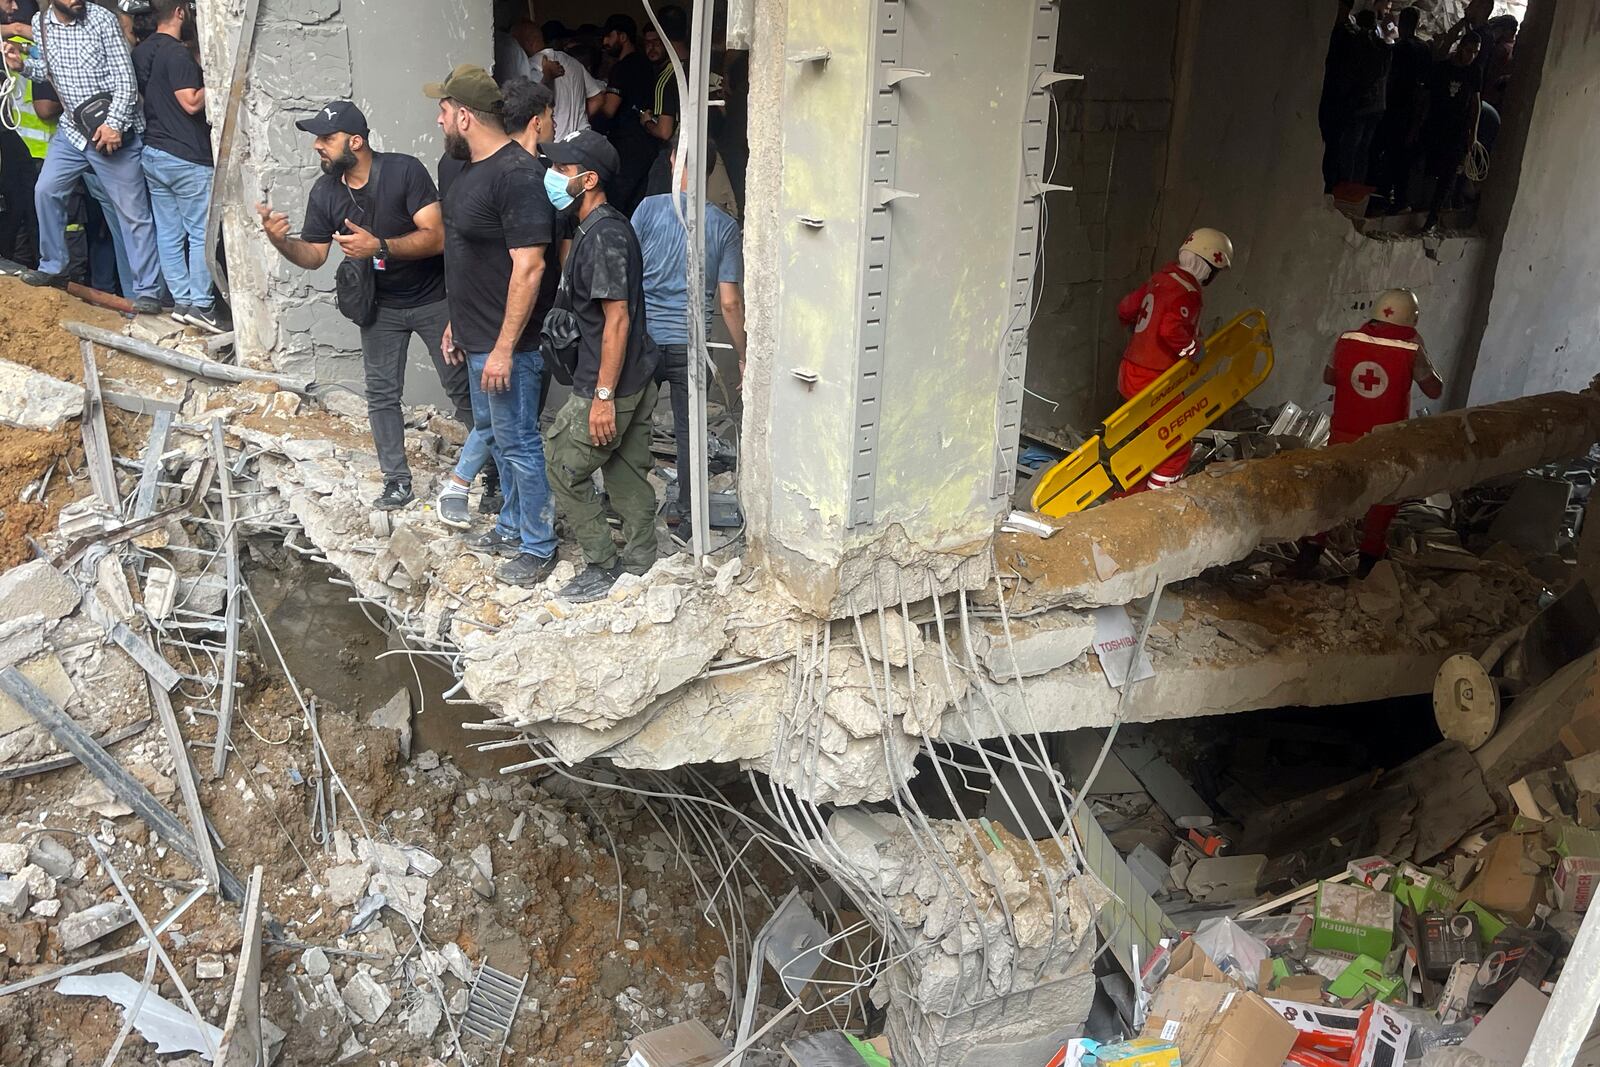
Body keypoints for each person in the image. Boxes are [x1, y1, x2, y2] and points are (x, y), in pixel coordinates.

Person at [255, 100, 469, 510]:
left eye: (326, 137)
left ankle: (491, 470)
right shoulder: (325, 192)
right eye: (316, 138)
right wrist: (280, 241)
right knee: (382, 394)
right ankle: (396, 481)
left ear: (356, 141)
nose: (317, 145)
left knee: (461, 388)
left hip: (433, 298)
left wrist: (381, 246)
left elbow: (438, 237)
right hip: (380, 306)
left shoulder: (404, 171)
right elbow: (315, 256)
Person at [427, 65, 559, 587]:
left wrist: (505, 348)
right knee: (498, 438)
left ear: (463, 115)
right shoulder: (461, 170)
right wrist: (456, 323)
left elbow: (530, 267)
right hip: (475, 334)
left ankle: (539, 545)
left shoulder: (519, 176)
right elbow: (464, 255)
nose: (438, 120)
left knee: (520, 442)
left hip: (512, 346)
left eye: (441, 111)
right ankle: (509, 525)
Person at [540, 128, 660, 601]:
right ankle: (641, 563)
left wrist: (602, 398)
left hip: (610, 383)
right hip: (632, 377)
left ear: (588, 180)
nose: (551, 177)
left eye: (562, 170)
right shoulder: (594, 227)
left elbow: (616, 321)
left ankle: (602, 564)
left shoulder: (606, 236)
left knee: (562, 467)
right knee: (628, 474)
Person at [2, 0, 164, 312]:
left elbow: (125, 79)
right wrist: (22, 66)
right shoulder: (41, 24)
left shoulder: (102, 18)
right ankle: (53, 265)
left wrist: (114, 124)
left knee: (133, 213)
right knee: (46, 190)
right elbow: (51, 72)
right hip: (72, 130)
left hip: (110, 131)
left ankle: (148, 292)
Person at [632, 140, 744, 528]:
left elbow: (626, 273)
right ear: (711, 170)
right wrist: (743, 355)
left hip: (642, 340)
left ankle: (632, 510)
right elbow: (729, 302)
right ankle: (685, 511)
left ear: (672, 162)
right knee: (688, 433)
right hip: (690, 344)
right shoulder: (725, 227)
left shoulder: (647, 209)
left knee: (631, 425)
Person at [1293, 288, 1443, 578]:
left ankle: (1309, 555)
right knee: (1385, 498)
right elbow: (1435, 390)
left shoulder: (1347, 339)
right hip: (1385, 440)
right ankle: (1367, 565)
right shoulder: (1411, 350)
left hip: (1344, 434)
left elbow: (1329, 377)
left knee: (1332, 492)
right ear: (1412, 319)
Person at [1112, 227, 1233, 493]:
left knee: (1149, 436)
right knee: (1176, 444)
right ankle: (1157, 504)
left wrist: (1133, 327)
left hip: (1129, 370)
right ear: (1208, 266)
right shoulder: (1187, 291)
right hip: (1153, 377)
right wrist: (1192, 349)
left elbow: (1126, 307)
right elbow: (1171, 329)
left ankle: (1131, 493)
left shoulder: (1160, 279)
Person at [133, 0, 221, 329]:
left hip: (154, 152)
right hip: (186, 156)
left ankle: (181, 301)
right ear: (181, 13)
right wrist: (215, 82)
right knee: (199, 233)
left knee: (169, 233)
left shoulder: (142, 52)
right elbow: (190, 102)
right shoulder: (177, 53)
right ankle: (201, 305)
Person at [596, 14, 659, 214]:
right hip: (648, 145)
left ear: (622, 37)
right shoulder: (646, 64)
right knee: (638, 208)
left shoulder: (622, 68)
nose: (604, 42)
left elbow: (609, 109)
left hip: (626, 147)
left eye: (609, 36)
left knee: (615, 206)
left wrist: (589, 118)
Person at [502, 17, 602, 139]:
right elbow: (598, 98)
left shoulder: (530, 67)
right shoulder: (572, 62)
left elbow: (526, 107)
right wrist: (579, 119)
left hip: (554, 148)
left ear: (529, 42)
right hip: (582, 141)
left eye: (516, 44)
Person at [1371, 5, 1430, 211]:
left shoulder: (1400, 49)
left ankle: (1383, 197)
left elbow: (1388, 76)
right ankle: (1401, 200)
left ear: (1402, 24)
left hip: (1395, 107)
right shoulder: (1424, 49)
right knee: (1403, 158)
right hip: (1413, 110)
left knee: (1388, 154)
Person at [1421, 33, 1482, 230]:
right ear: (1461, 47)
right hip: (1436, 125)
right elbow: (1426, 98)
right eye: (1469, 51)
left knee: (1449, 174)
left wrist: (1473, 134)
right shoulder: (1443, 69)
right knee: (1430, 169)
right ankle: (1423, 206)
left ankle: (1433, 216)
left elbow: (1475, 104)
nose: (1471, 56)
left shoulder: (1474, 72)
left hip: (1458, 130)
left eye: (1475, 53)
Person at [1334, 9, 1391, 188]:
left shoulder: (1360, 43)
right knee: (1363, 150)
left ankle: (1345, 186)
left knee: (1350, 147)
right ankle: (1356, 187)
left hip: (1361, 105)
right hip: (1377, 106)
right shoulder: (1384, 47)